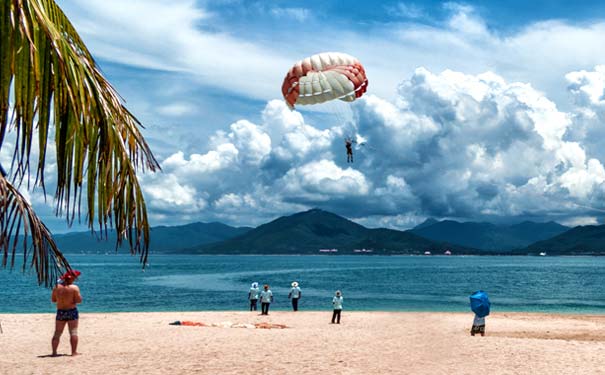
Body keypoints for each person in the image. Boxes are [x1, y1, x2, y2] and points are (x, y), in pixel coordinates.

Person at [51, 270, 83, 356]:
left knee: (57, 333)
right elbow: (79, 300)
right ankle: (73, 352)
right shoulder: (74, 288)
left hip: (61, 311)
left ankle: (54, 352)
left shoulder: (56, 287)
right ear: (72, 278)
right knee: (73, 332)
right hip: (71, 311)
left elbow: (53, 300)